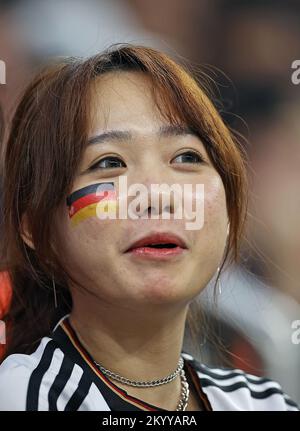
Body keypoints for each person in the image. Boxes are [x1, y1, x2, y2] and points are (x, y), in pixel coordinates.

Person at [0, 44, 298, 411]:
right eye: (109, 162)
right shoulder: (24, 396)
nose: (157, 194)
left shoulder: (264, 404)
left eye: (186, 157)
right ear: (37, 229)